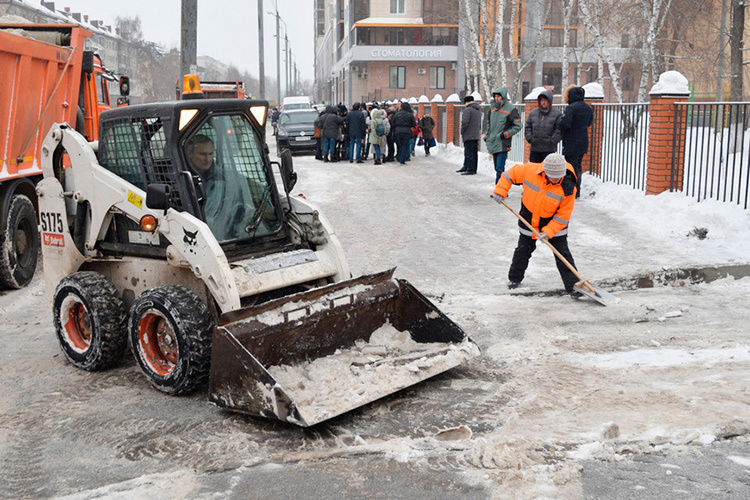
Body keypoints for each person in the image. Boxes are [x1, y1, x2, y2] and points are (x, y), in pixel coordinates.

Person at [491, 153, 581, 296]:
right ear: (544, 171)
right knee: (523, 250)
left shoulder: (568, 187)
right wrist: (500, 191)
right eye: (552, 176)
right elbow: (509, 175)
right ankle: (514, 279)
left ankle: (574, 286)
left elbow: (564, 215)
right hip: (529, 217)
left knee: (562, 254)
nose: (555, 179)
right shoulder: (531, 170)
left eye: (558, 177)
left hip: (554, 223)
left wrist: (550, 230)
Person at [187, 134, 256, 241]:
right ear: (190, 154)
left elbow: (233, 203)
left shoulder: (222, 178)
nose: (208, 159)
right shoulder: (177, 179)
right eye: (202, 154)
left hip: (222, 234)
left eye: (210, 154)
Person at [559, 85, 593, 198]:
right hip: (583, 141)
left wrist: (560, 121)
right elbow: (589, 123)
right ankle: (577, 190)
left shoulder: (571, 108)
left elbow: (566, 123)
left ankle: (572, 191)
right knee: (578, 166)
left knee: (570, 167)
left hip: (571, 142)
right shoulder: (588, 108)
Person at [484, 87, 522, 183]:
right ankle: (500, 188)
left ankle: (500, 190)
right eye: (495, 96)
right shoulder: (493, 107)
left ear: (503, 97)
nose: (496, 98)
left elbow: (518, 125)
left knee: (500, 168)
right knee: (497, 168)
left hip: (503, 143)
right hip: (493, 141)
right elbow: (489, 123)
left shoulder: (510, 108)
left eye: (499, 96)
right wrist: (487, 134)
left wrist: (505, 134)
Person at [524, 89, 562, 163]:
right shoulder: (533, 113)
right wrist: (530, 138)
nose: (543, 102)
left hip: (549, 149)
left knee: (547, 171)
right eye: (541, 100)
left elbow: (559, 129)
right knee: (534, 171)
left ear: (549, 101)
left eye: (545, 100)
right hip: (535, 149)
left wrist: (553, 140)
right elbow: (528, 127)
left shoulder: (557, 114)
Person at [458, 94, 482, 175]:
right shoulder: (478, 110)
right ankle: (471, 167)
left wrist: (462, 131)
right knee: (474, 152)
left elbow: (465, 122)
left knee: (468, 152)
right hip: (475, 134)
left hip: (468, 134)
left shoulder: (468, 110)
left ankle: (470, 168)